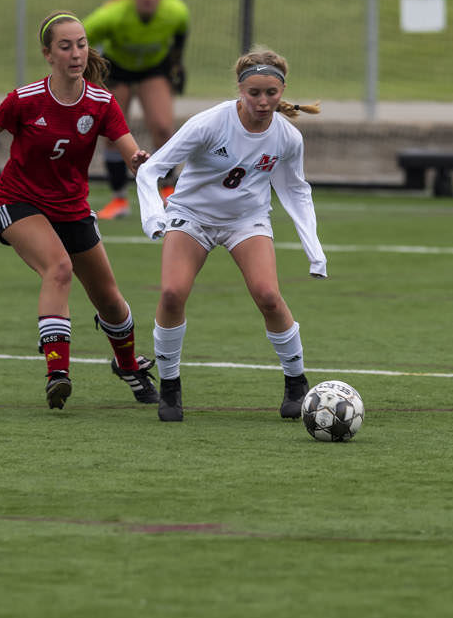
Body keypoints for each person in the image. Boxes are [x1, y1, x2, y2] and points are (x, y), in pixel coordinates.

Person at [0, 12, 158, 411]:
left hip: (72, 209)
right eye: (65, 46)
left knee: (110, 302)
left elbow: (130, 149)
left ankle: (128, 365)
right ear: (48, 54)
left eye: (81, 44)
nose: (76, 53)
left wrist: (139, 161)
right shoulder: (25, 100)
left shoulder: (101, 103)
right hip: (18, 202)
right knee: (58, 268)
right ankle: (57, 374)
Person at [134, 46, 326, 425]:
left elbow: (296, 190)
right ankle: (170, 386)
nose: (263, 101)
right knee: (172, 293)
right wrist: (155, 217)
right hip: (192, 216)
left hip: (246, 219)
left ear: (282, 90)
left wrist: (314, 250)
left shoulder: (288, 137)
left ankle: (296, 382)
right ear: (240, 90)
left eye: (271, 93)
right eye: (254, 93)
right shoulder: (210, 123)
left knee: (269, 295)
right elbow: (152, 168)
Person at [81, 0, 190, 222]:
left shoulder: (175, 12)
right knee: (112, 132)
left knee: (163, 127)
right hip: (117, 68)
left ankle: (167, 190)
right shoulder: (113, 14)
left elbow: (180, 36)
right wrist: (90, 69)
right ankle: (119, 197)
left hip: (154, 68)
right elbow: (82, 35)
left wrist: (176, 65)